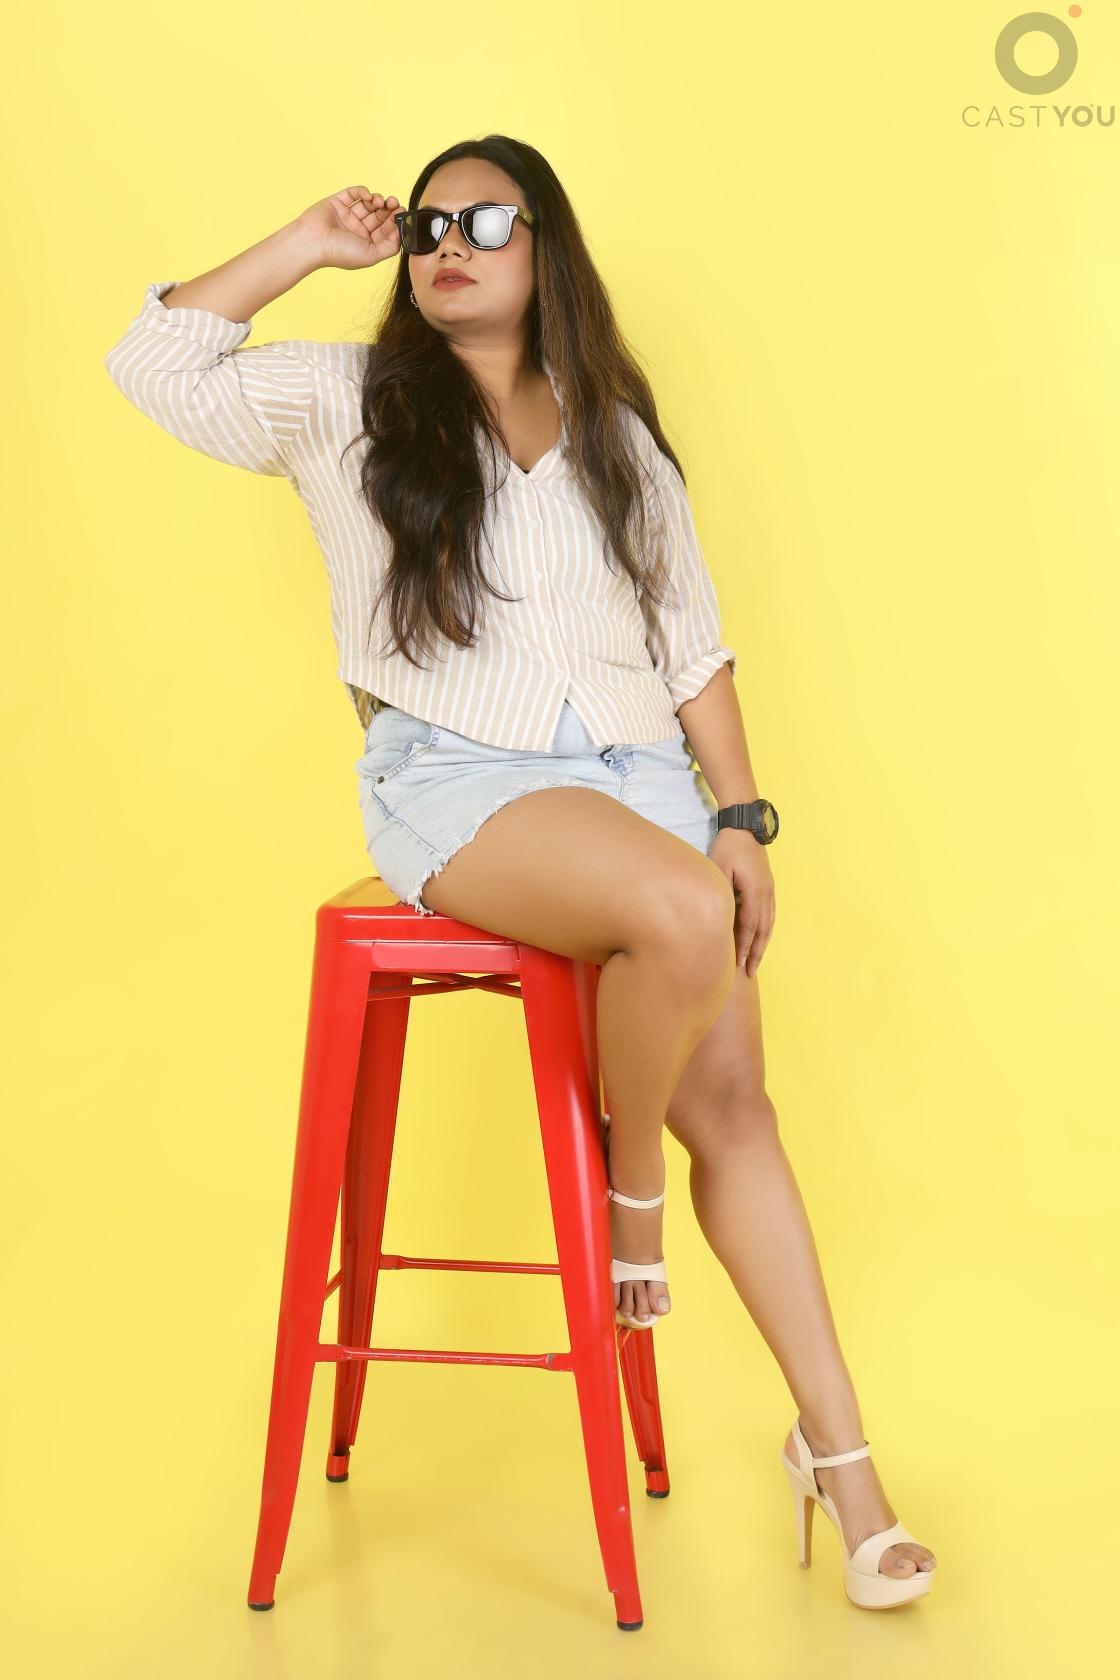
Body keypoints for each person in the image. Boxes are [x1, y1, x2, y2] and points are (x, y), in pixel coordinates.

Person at [104, 133, 936, 1608]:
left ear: (547, 247)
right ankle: (630, 1202)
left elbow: (691, 645)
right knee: (676, 910)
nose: (450, 243)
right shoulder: (345, 401)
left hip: (640, 776)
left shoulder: (616, 432)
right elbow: (153, 361)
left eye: (487, 221)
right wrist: (309, 240)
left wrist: (740, 818)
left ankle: (845, 1465)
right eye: (430, 223)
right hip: (460, 779)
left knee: (740, 1103)